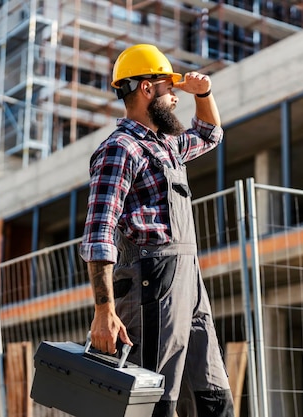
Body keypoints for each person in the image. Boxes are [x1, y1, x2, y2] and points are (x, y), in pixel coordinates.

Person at [80, 44, 234, 417]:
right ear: (146, 89)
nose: (176, 98)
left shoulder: (166, 145)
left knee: (213, 397)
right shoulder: (120, 149)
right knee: (154, 400)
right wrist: (104, 310)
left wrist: (205, 94)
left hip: (189, 283)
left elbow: (211, 133)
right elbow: (99, 233)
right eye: (170, 89)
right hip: (152, 283)